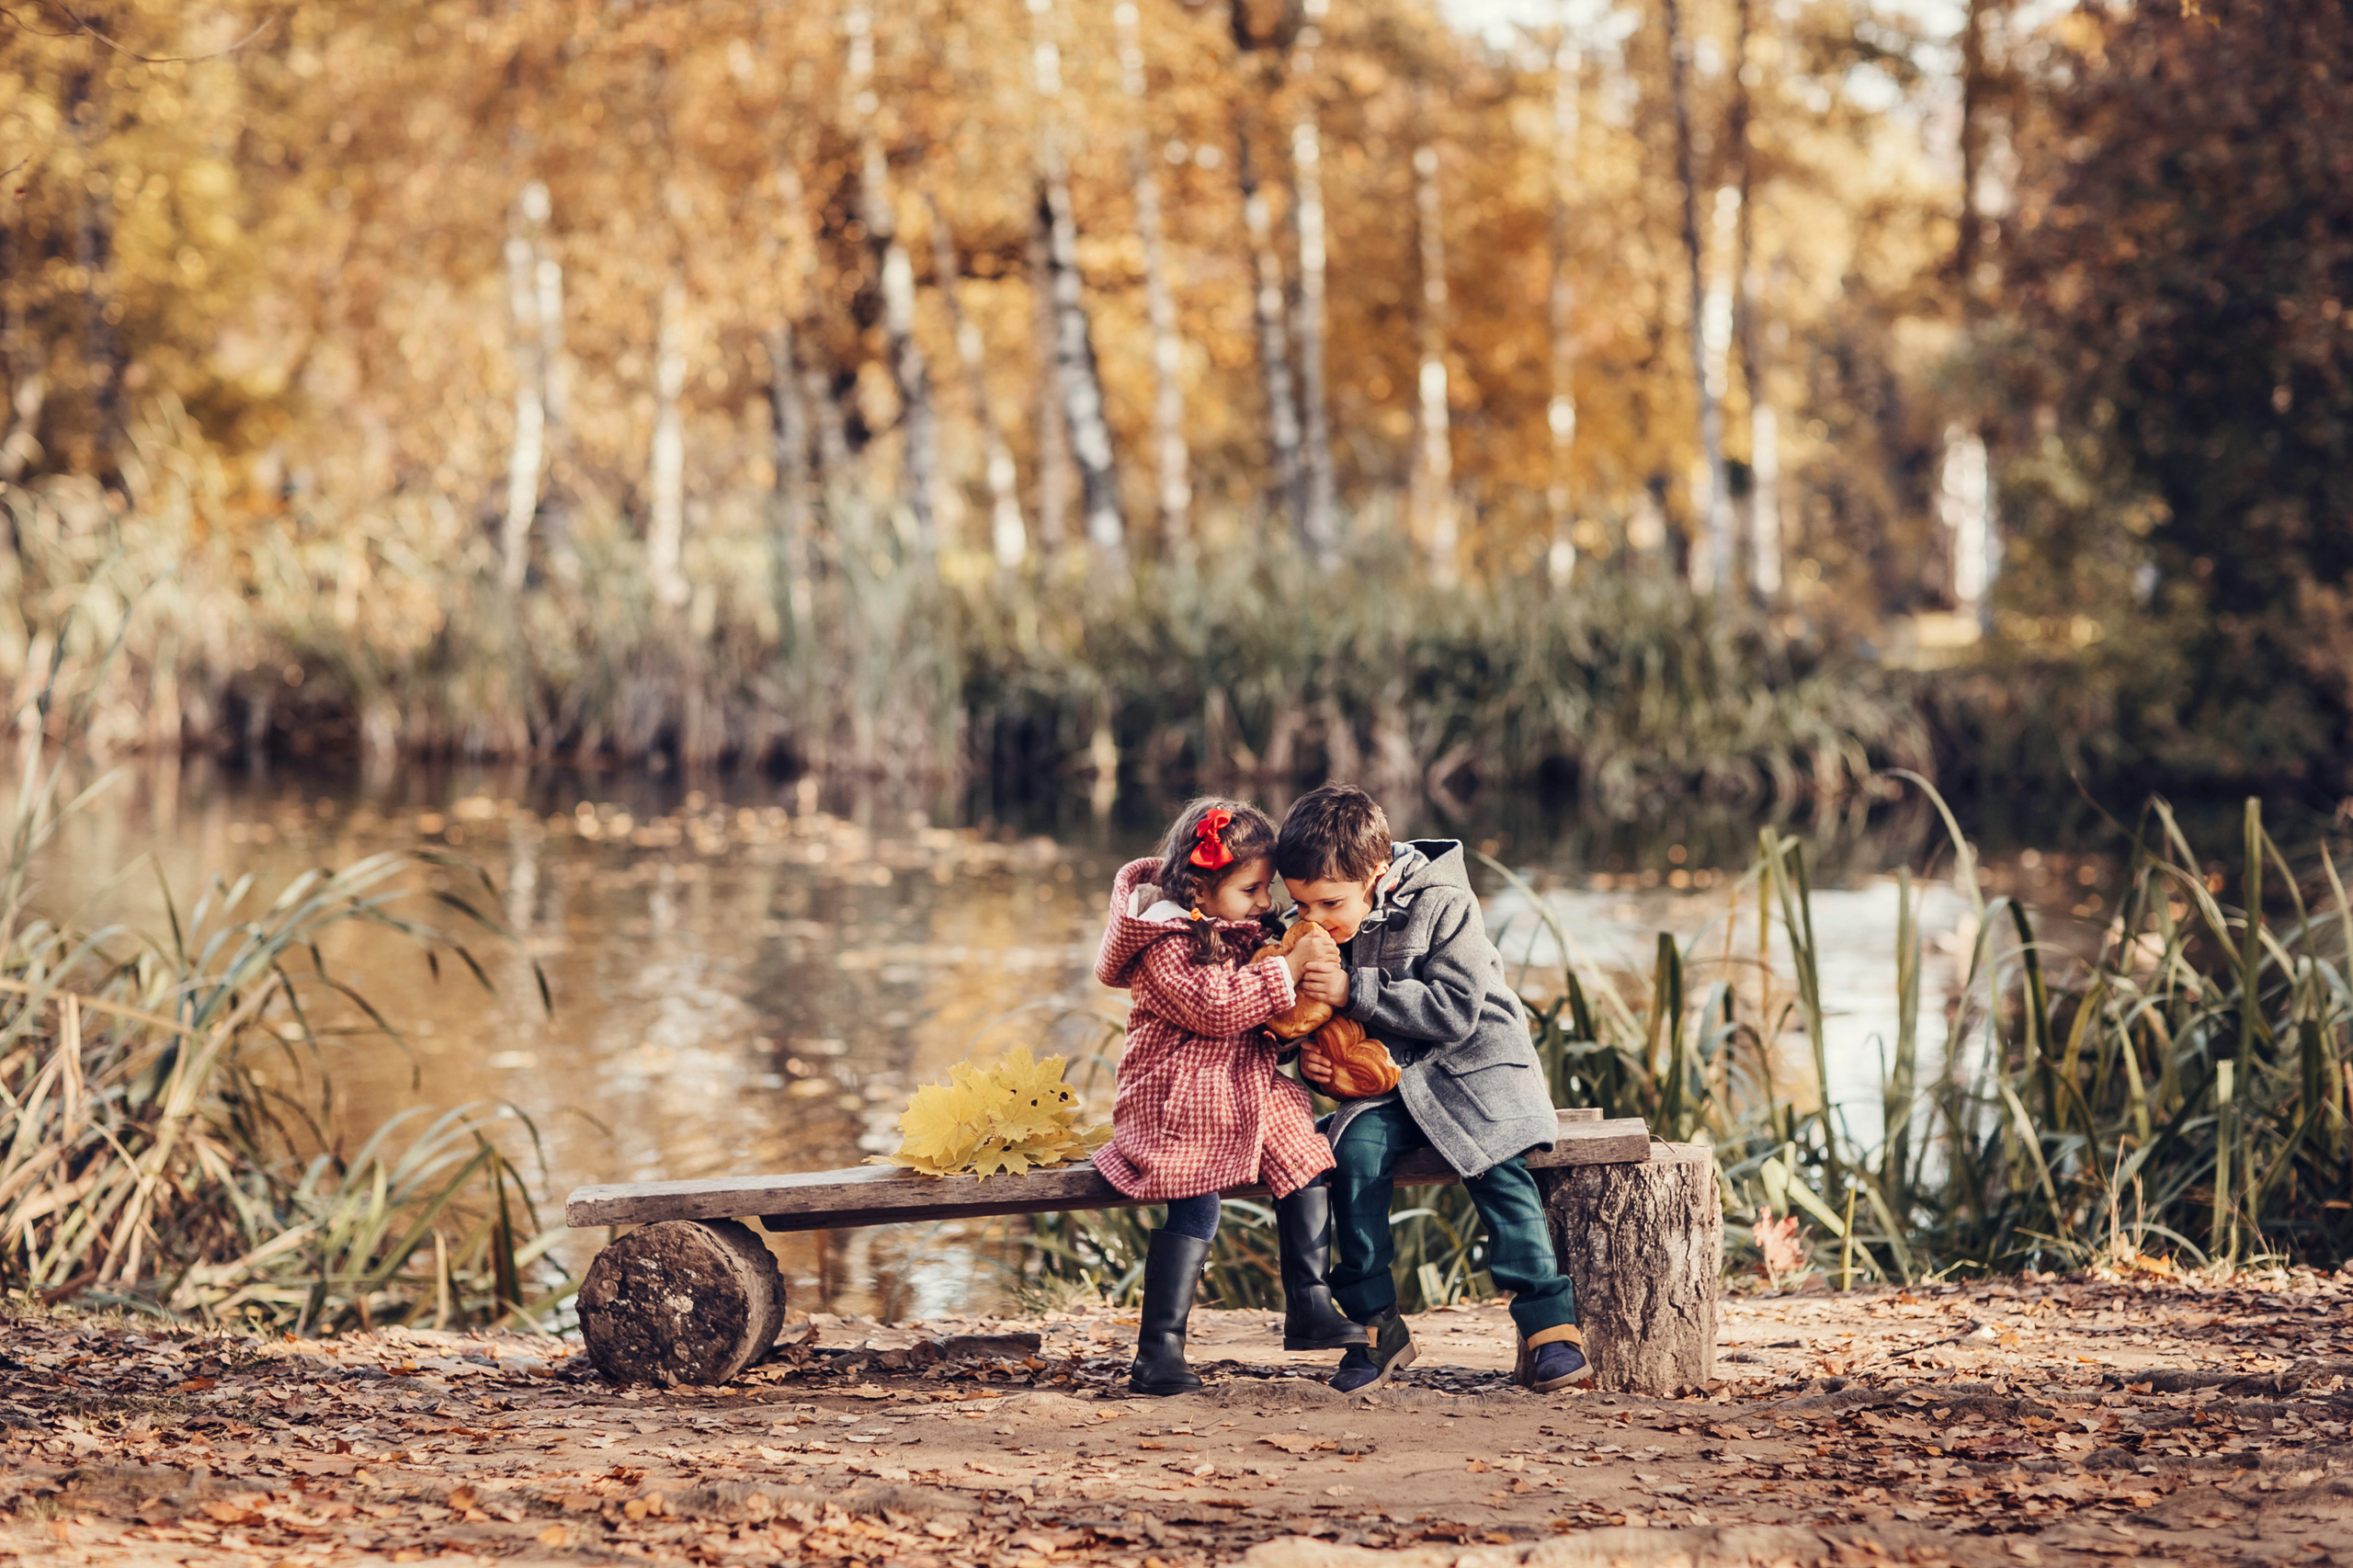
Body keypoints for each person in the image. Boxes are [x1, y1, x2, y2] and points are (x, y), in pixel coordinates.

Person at [1277, 782, 1591, 1394]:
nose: (1313, 919)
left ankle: (1549, 1324)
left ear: (1375, 873)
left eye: (1329, 903)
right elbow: (1311, 1024)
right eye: (1300, 904)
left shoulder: (1444, 903)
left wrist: (1353, 989)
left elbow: (1454, 1009)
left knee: (1499, 1165)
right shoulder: (1315, 927)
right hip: (1392, 1086)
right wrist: (1315, 1064)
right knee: (1353, 1158)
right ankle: (1376, 1327)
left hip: (1474, 1071)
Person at [1094, 798, 1367, 1395]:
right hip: (1175, 1095)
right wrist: (1286, 972)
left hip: (1240, 1088)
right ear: (1200, 888)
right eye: (1252, 889)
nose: (1266, 902)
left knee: (1304, 1152)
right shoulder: (1165, 945)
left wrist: (1293, 1033)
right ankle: (1158, 1352)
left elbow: (1258, 1022)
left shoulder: (1243, 934)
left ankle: (1310, 1302)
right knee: (1198, 1205)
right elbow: (1216, 1009)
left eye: (1267, 887)